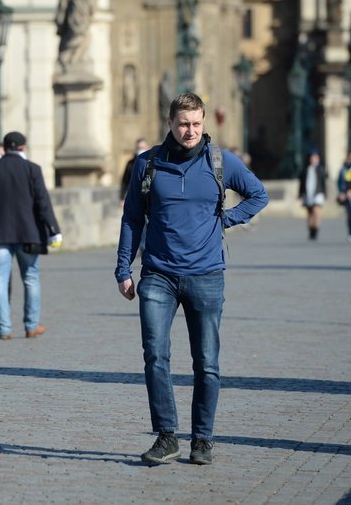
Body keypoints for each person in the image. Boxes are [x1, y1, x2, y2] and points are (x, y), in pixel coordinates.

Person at [115, 92, 268, 467]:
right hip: (158, 275)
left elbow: (258, 195)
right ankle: (167, 436)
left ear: (204, 123)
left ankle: (202, 439)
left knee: (207, 362)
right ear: (170, 123)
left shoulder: (220, 162)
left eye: (197, 124)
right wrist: (123, 269)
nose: (190, 131)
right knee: (155, 356)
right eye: (184, 124)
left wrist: (225, 220)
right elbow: (132, 218)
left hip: (206, 275)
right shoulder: (147, 164)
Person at [0, 131, 62, 340]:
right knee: (30, 278)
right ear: (23, 147)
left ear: (4, 147)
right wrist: (54, 230)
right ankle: (31, 326)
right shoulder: (33, 169)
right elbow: (43, 203)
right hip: (29, 234)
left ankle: (4, 328)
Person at [298, 149, 327, 240]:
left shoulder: (321, 169)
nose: (314, 160)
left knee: (316, 212)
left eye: (315, 158)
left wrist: (325, 193)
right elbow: (301, 183)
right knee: (309, 213)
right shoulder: (305, 170)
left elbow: (323, 182)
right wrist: (300, 195)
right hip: (307, 193)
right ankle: (311, 230)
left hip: (318, 194)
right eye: (312, 158)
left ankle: (315, 230)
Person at [120, 138, 151, 203]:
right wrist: (122, 198)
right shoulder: (130, 163)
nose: (140, 150)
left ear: (147, 147)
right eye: (139, 148)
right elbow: (125, 181)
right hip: (135, 196)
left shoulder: (153, 162)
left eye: (142, 147)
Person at [337, 151, 351, 243]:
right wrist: (341, 192)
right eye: (349, 157)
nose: (350, 159)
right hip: (346, 195)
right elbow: (339, 182)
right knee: (350, 216)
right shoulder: (343, 168)